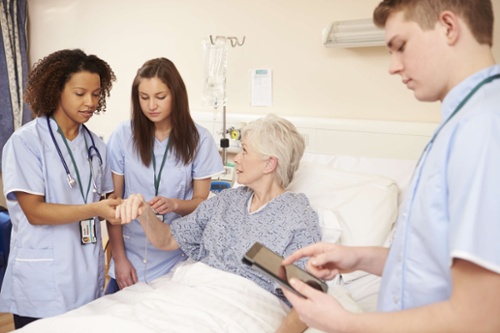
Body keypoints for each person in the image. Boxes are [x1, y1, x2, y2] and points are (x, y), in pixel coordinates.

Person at [282, 0, 500, 332]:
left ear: (448, 27)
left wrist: (343, 323)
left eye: (400, 47)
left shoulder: (482, 128)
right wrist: (358, 257)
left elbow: (481, 316)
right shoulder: (463, 121)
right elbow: (432, 267)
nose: (393, 67)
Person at [113, 114, 321, 332]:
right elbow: (167, 239)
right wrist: (144, 212)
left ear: (269, 163)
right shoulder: (227, 200)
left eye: (245, 151)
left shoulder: (296, 215)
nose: (236, 158)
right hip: (190, 292)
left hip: (242, 306)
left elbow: (308, 293)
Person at [0, 49, 121, 329]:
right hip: (43, 279)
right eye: (80, 93)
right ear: (57, 90)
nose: (90, 102)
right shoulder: (27, 143)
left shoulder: (97, 147)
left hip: (85, 272)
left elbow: (103, 200)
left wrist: (119, 205)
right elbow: (34, 212)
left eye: (96, 94)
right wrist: (96, 209)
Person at [105, 57, 224, 293]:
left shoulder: (199, 140)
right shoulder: (122, 135)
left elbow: (201, 203)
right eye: (144, 97)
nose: (151, 105)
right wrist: (119, 259)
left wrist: (174, 204)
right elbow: (113, 203)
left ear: (176, 96)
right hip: (130, 252)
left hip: (174, 257)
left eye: (160, 97)